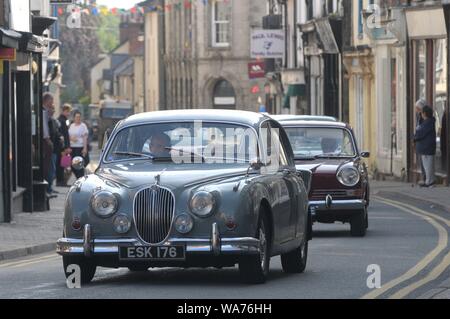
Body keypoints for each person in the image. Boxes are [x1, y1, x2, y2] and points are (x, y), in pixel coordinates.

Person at [414, 105, 437, 188]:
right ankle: (428, 181)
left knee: (428, 166)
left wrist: (415, 138)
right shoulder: (426, 122)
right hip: (425, 148)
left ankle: (430, 182)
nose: (421, 114)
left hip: (427, 148)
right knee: (426, 166)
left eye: (422, 113)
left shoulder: (428, 122)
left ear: (425, 113)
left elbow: (420, 132)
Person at [47, 104, 63, 195]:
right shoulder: (49, 121)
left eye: (53, 109)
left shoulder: (53, 121)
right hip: (51, 149)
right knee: (51, 169)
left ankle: (50, 187)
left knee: (52, 170)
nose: (53, 111)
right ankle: (49, 188)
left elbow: (56, 133)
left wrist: (60, 137)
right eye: (51, 109)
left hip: (55, 149)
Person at [69, 111, 90, 179]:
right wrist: (71, 138)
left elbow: (85, 137)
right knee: (72, 164)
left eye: (79, 117)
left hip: (79, 147)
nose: (78, 118)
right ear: (74, 118)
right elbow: (68, 135)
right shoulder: (72, 125)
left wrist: (85, 148)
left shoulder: (83, 125)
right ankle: (78, 177)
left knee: (79, 164)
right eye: (77, 117)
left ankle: (80, 178)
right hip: (72, 147)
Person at [56, 104, 72, 187]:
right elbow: (64, 135)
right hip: (62, 147)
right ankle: (61, 181)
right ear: (63, 111)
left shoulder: (63, 120)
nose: (68, 113)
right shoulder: (62, 120)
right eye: (67, 111)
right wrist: (65, 147)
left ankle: (62, 180)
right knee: (63, 164)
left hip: (63, 146)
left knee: (64, 163)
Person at [42, 92, 55, 197]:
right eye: (51, 101)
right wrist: (48, 140)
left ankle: (47, 188)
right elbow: (44, 128)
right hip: (45, 143)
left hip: (47, 142)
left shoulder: (47, 112)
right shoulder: (42, 112)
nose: (53, 103)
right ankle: (45, 189)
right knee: (46, 167)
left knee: (49, 167)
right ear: (47, 101)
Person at [415, 99, 427, 184]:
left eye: (417, 108)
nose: (416, 110)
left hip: (424, 143)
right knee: (422, 162)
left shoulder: (424, 118)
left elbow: (422, 130)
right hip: (420, 143)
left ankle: (426, 178)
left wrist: (416, 137)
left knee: (425, 163)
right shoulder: (419, 117)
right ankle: (424, 178)